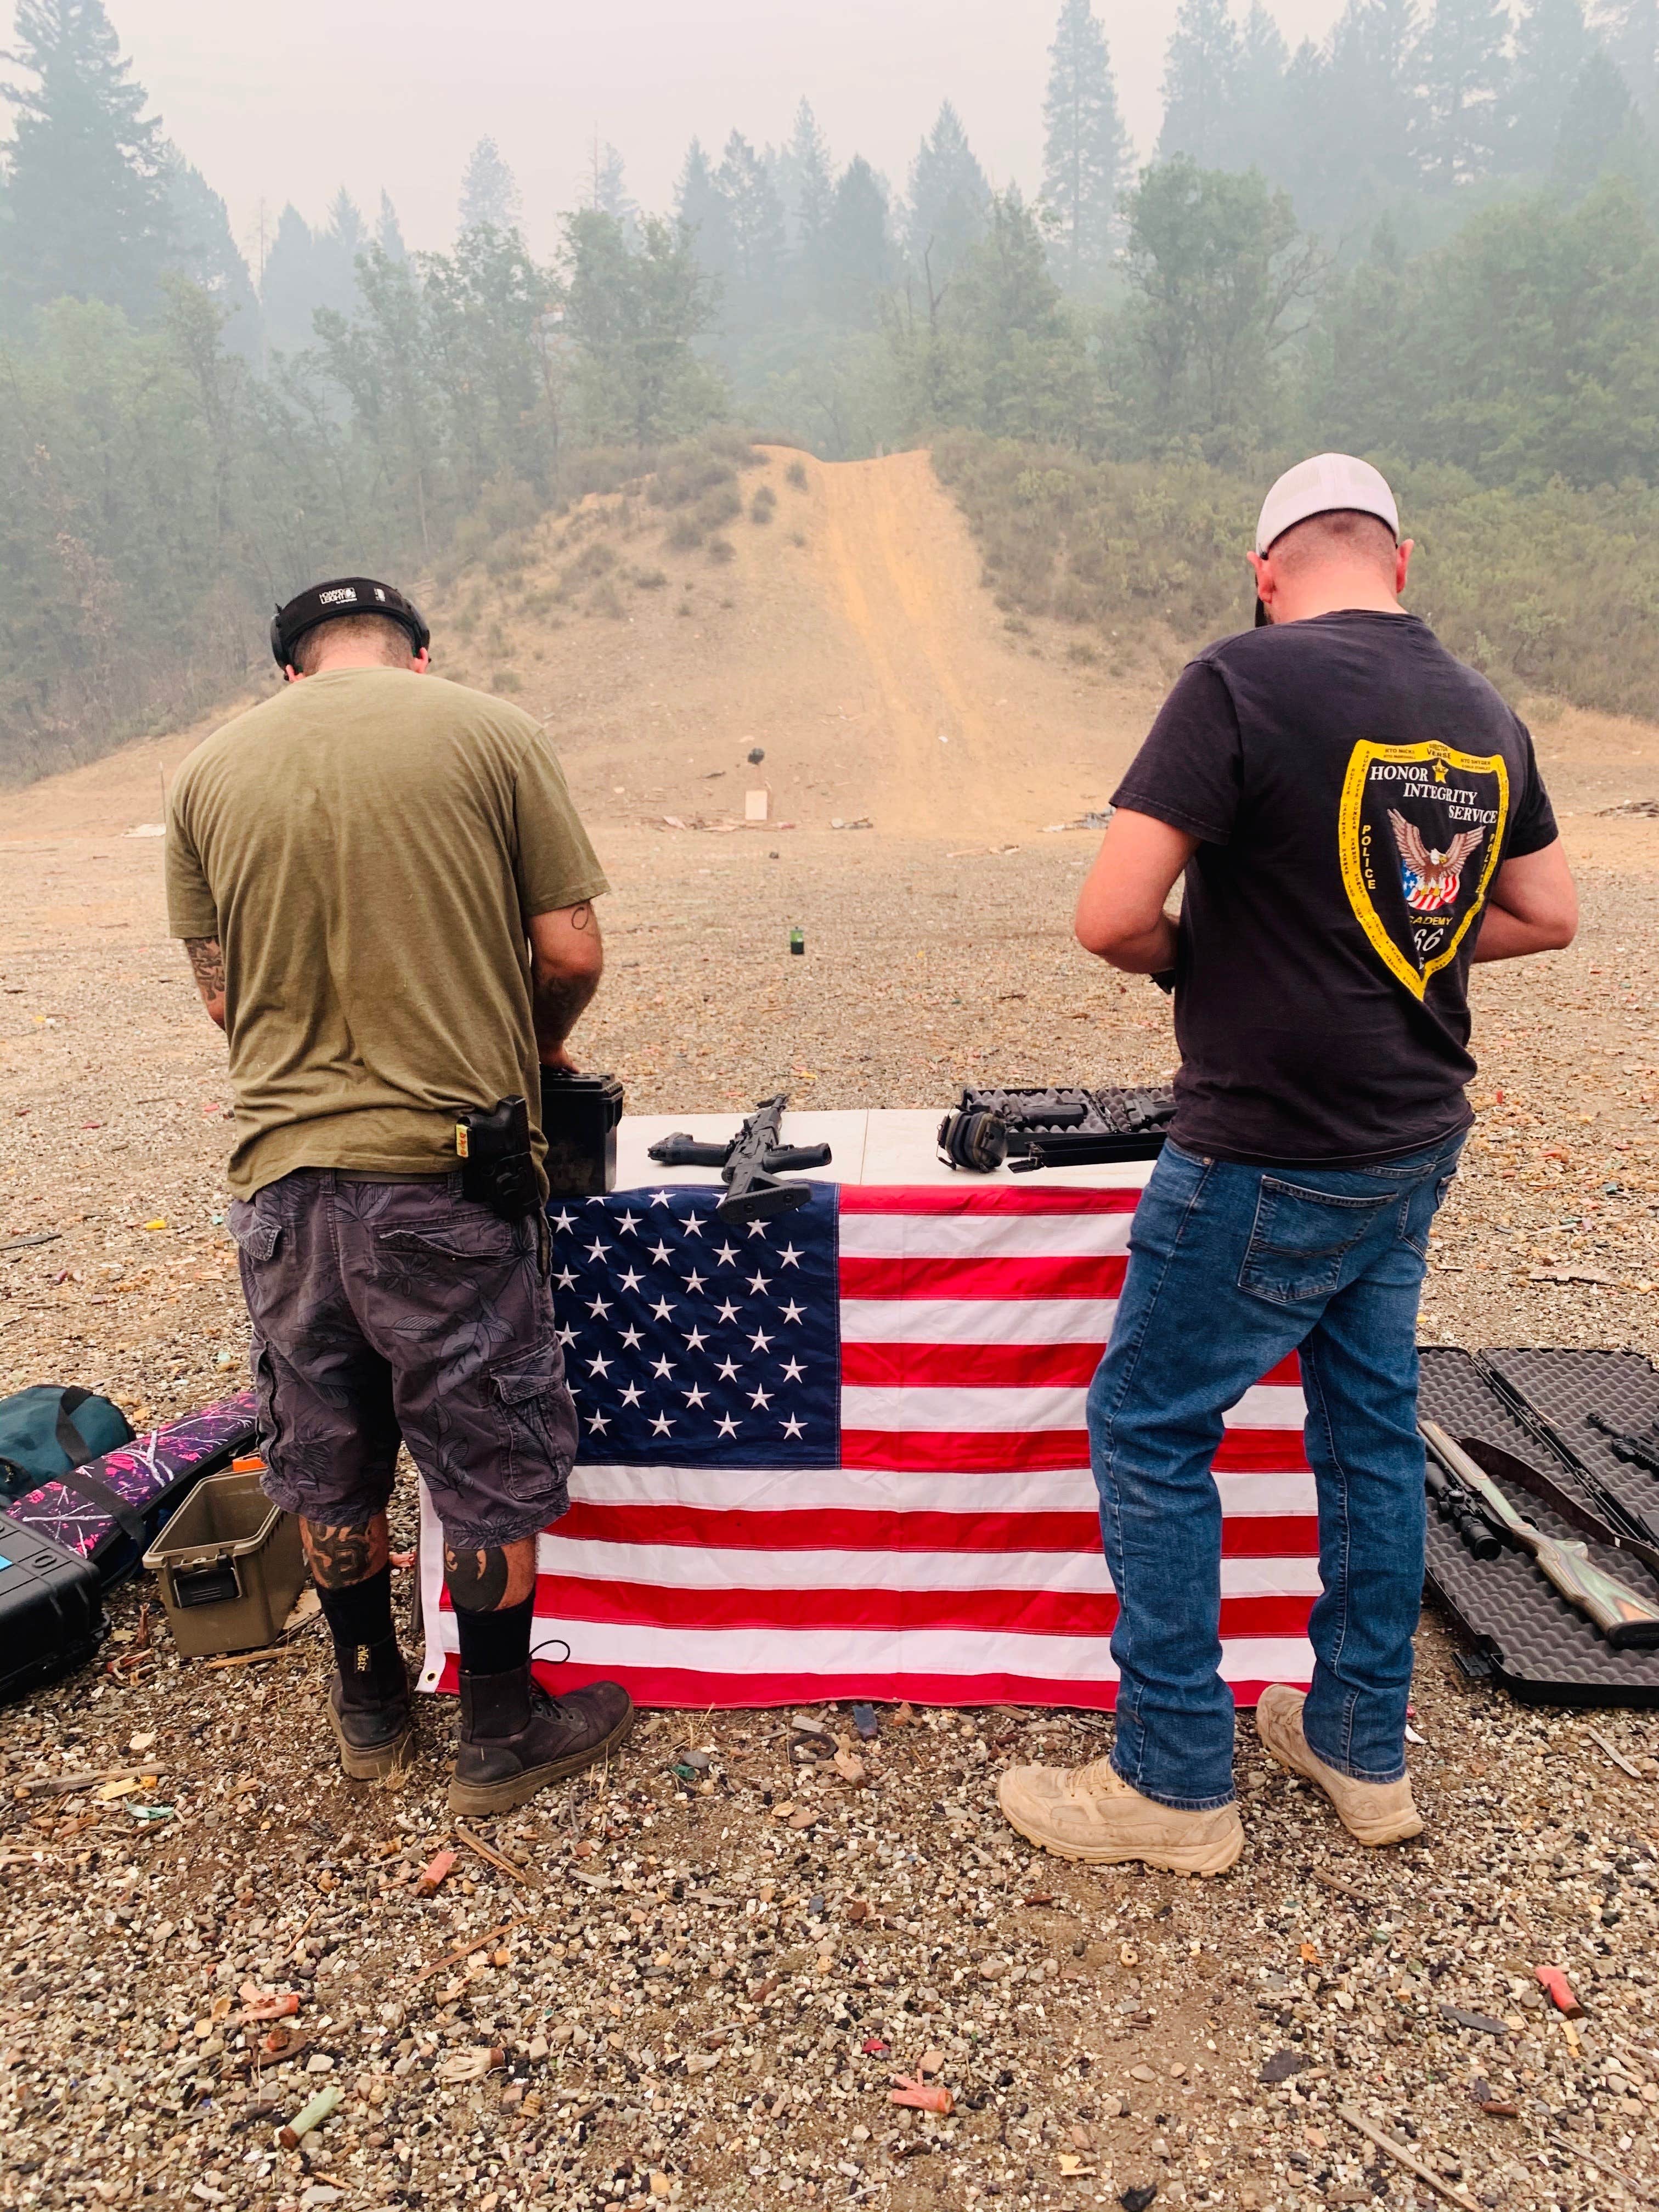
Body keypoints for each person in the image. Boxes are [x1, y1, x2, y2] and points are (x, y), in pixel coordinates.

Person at [997, 455, 1578, 1875]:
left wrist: (1215, 955)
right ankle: (1362, 1749)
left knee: (1149, 1426)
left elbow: (1112, 914)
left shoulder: (1239, 683)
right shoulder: (1480, 707)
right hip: (1412, 1130)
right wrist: (1408, 947)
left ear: (1266, 571)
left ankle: (1177, 1781)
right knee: (1369, 1431)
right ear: (1403, 559)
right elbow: (1546, 912)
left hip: (1268, 1138)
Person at [165, 576, 634, 1813]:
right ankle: (496, 1733)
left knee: (326, 1459)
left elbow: (222, 997)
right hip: (444, 1170)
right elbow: (571, 948)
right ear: (419, 657)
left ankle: (369, 1710)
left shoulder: (206, 774)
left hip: (280, 1182)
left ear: (291, 672)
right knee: (479, 1452)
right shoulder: (490, 732)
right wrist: (531, 1049)